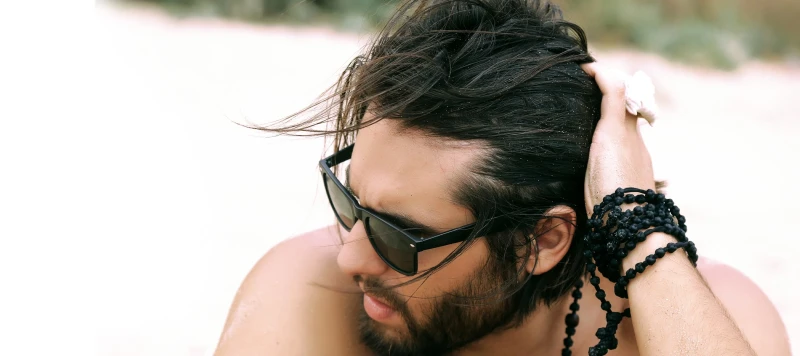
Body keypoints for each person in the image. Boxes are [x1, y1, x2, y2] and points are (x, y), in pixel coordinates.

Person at [214, 1, 790, 355]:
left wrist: (634, 219)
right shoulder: (309, 292)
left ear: (541, 241)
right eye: (350, 202)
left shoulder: (715, 315)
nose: (350, 259)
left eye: (398, 235)